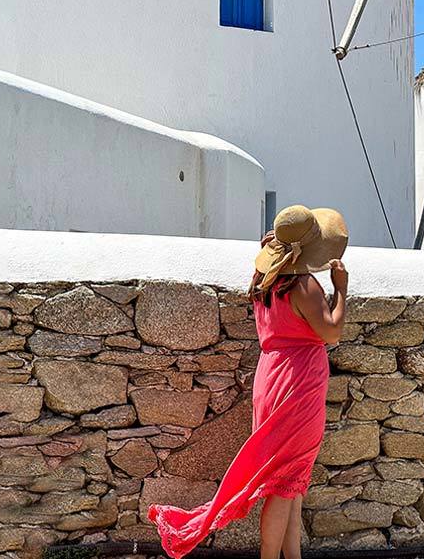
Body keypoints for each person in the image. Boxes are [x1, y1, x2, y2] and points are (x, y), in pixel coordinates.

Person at [148, 205, 349, 559]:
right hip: (298, 383)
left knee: (288, 480)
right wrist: (341, 291)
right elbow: (331, 331)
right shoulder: (304, 285)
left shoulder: (265, 279)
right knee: (285, 484)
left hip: (271, 378)